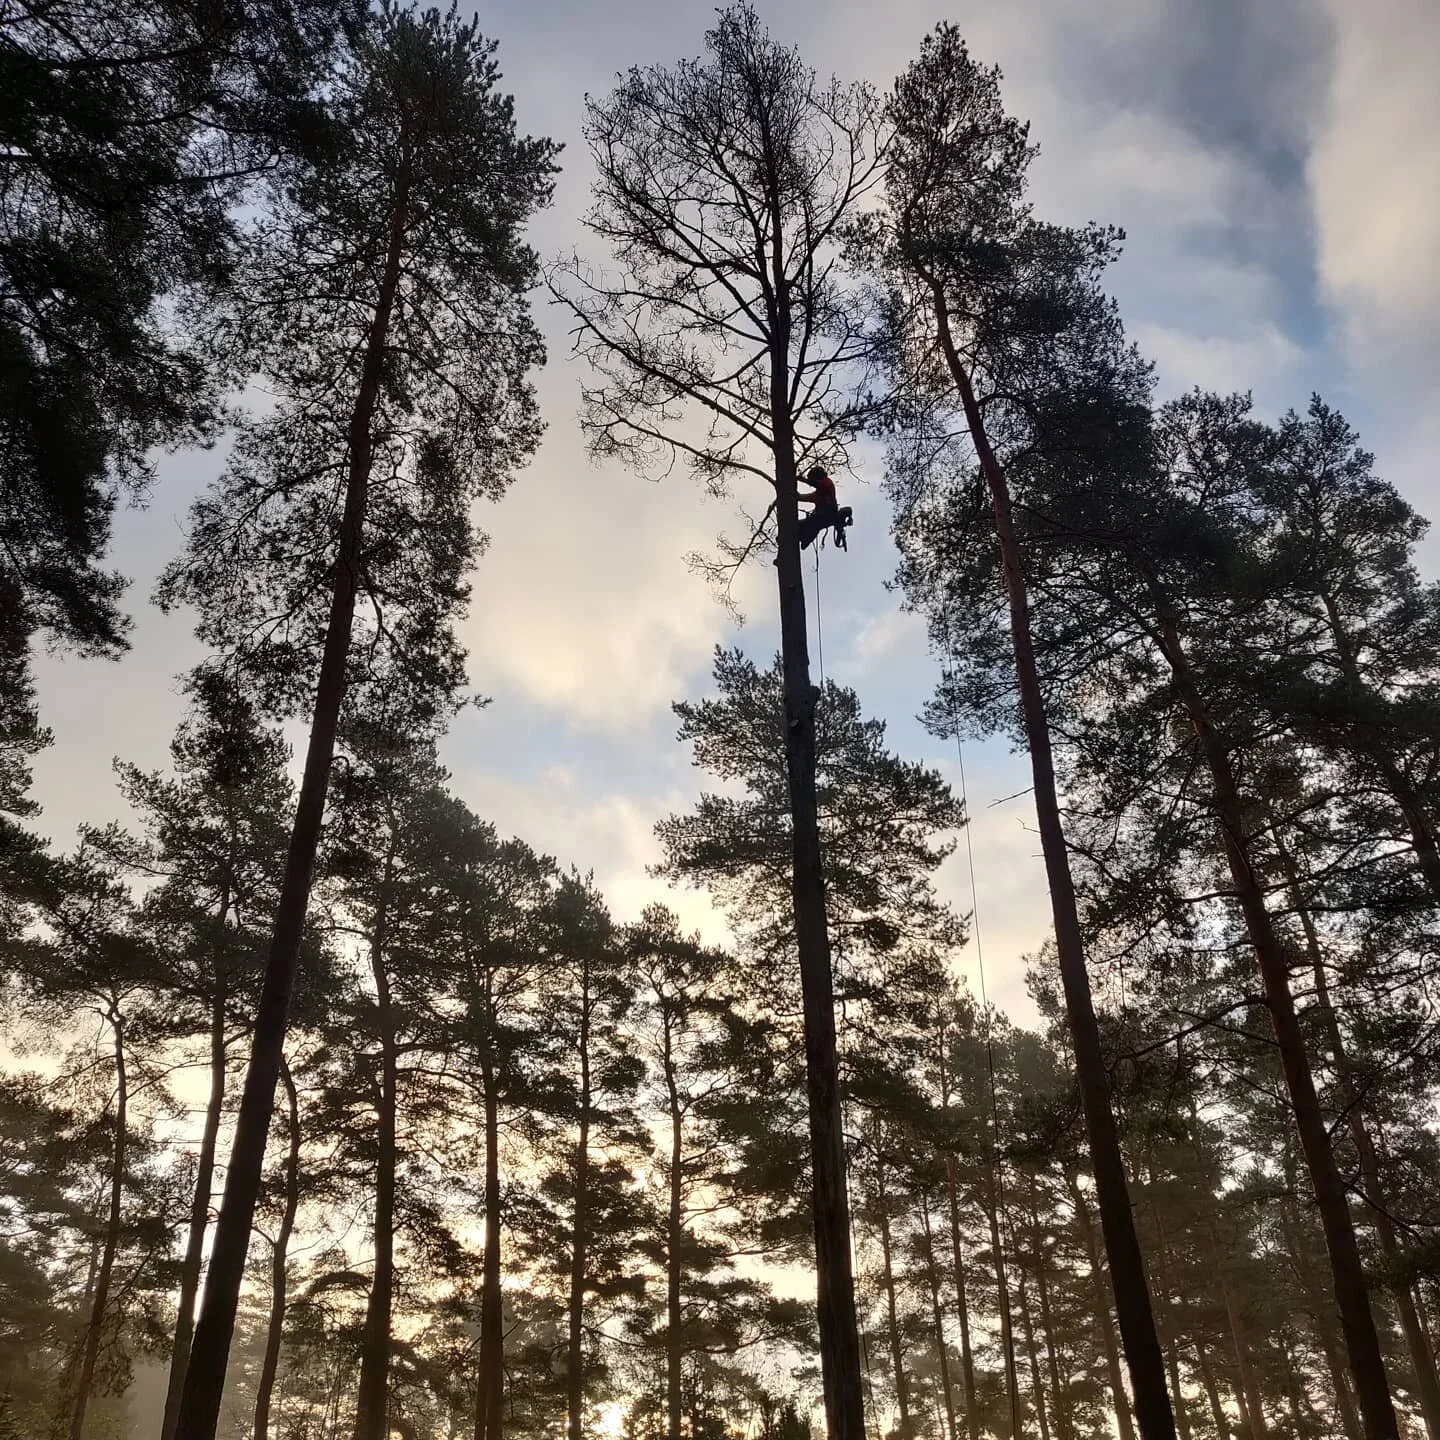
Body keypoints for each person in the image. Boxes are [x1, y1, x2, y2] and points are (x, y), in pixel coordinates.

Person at [797, 466, 851, 550]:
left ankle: (802, 538)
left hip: (825, 516)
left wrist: (803, 480)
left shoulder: (827, 483)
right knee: (799, 525)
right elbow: (806, 497)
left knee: (811, 527)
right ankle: (794, 537)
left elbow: (819, 484)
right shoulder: (818, 494)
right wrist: (796, 496)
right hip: (818, 520)